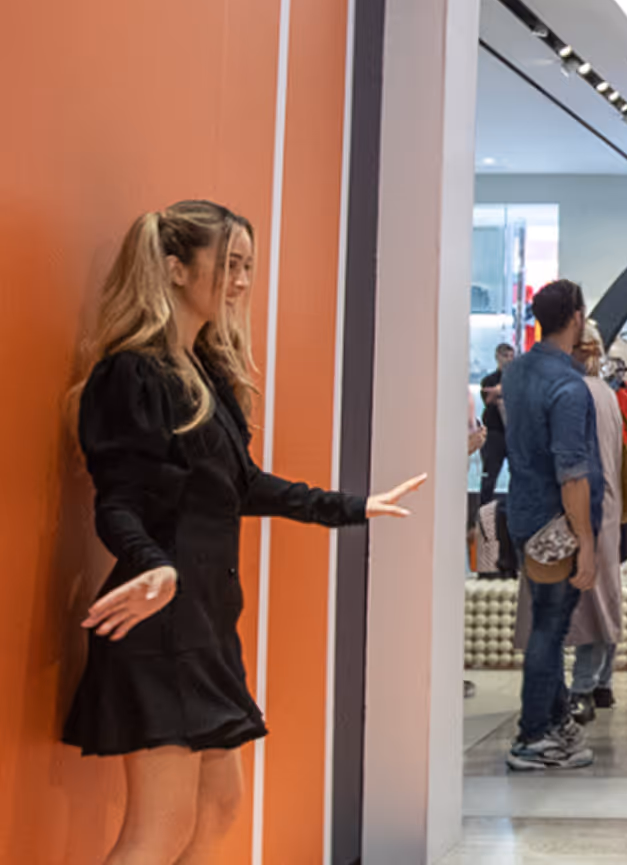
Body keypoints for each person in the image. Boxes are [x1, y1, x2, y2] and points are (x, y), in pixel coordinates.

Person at [65, 201, 424, 864]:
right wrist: (152, 563)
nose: (241, 281)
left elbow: (241, 485)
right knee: (158, 829)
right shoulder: (134, 374)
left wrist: (352, 506)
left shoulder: (204, 371)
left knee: (219, 808)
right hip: (162, 626)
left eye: (248, 266)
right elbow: (116, 502)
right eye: (229, 264)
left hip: (204, 622)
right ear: (175, 267)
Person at [500, 280, 604, 772]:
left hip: (523, 513)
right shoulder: (568, 386)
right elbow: (572, 473)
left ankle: (555, 720)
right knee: (550, 628)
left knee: (548, 620)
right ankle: (533, 735)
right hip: (557, 525)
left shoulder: (517, 371)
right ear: (577, 318)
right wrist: (586, 542)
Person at [567, 322, 625, 725]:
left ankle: (583, 687)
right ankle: (602, 681)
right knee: (606, 593)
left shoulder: (576, 394)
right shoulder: (608, 394)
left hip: (585, 507)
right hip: (609, 504)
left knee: (588, 599)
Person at [479, 341, 516, 501]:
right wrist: (498, 392)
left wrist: (499, 391)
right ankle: (482, 510)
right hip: (494, 434)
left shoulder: (518, 380)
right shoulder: (489, 380)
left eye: (511, 356)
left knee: (518, 474)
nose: (509, 359)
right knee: (489, 477)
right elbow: (489, 399)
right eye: (505, 356)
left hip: (513, 433)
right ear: (497, 357)